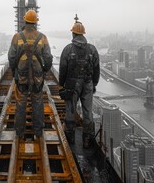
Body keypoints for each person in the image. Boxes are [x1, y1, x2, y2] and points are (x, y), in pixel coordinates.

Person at [8, 10, 53, 138]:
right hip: (37, 76)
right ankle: (38, 131)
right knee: (38, 101)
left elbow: (11, 57)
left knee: (21, 102)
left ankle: (20, 132)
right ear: (36, 22)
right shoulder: (42, 37)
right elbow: (48, 58)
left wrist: (14, 71)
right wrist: (44, 70)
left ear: (24, 21)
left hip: (21, 75)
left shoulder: (17, 37)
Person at [59, 16, 100, 148]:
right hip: (88, 83)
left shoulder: (68, 49)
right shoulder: (92, 50)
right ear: (83, 34)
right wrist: (93, 84)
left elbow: (63, 68)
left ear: (73, 33)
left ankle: (70, 138)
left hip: (71, 85)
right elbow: (97, 68)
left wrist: (62, 83)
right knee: (87, 112)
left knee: (71, 110)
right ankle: (87, 140)